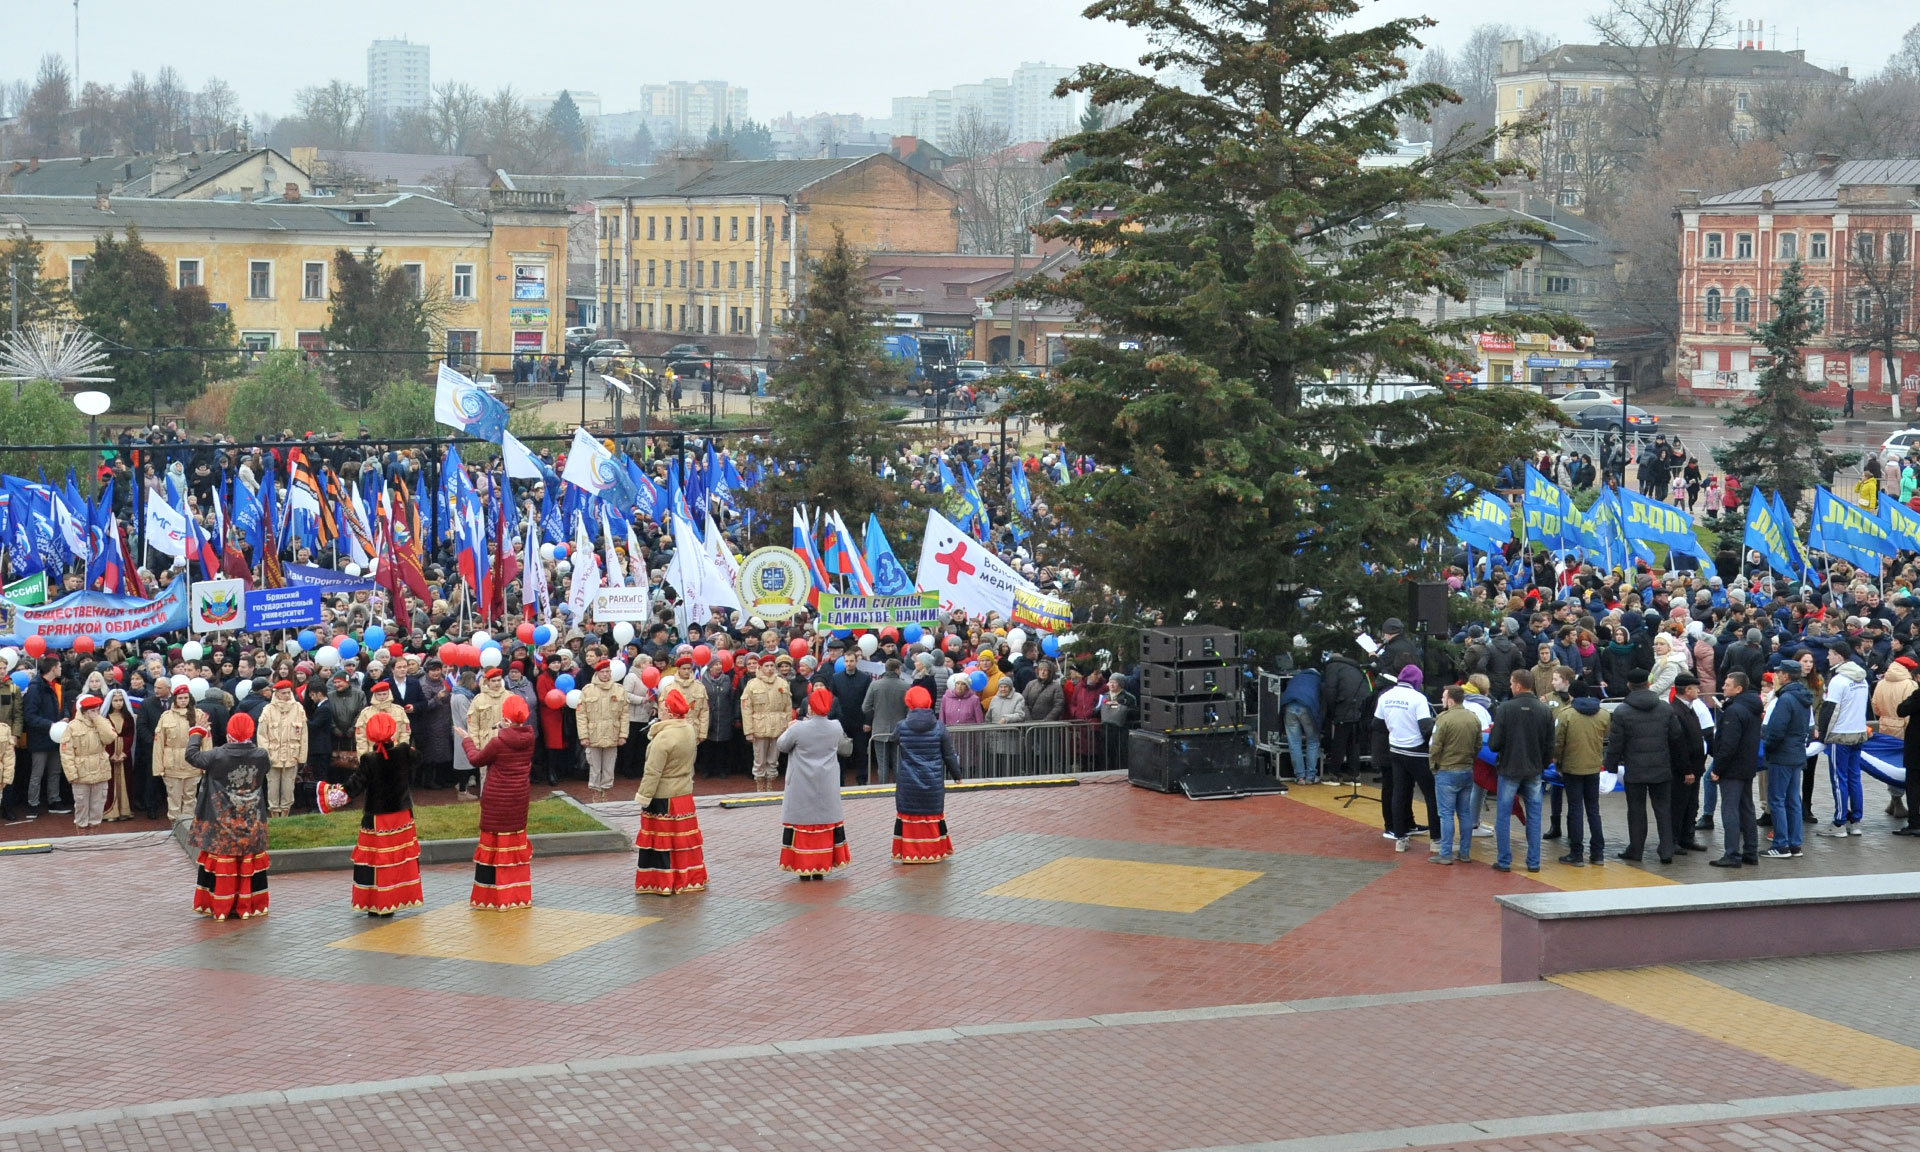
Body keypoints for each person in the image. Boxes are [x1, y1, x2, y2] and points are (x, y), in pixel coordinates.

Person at [336, 710, 425, 916]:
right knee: (399, 858)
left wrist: (331, 794)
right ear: (392, 730)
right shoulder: (403, 751)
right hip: (402, 814)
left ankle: (378, 904)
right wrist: (404, 745)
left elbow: (354, 786)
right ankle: (397, 899)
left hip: (377, 817)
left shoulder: (369, 759)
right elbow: (419, 758)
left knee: (376, 860)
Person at [185, 713, 272, 921]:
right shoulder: (261, 755)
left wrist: (198, 732)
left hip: (221, 821)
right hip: (251, 819)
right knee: (248, 859)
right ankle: (248, 906)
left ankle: (221, 907)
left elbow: (191, 755)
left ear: (228, 732)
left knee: (223, 861)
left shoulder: (217, 755)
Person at [461, 694, 537, 908]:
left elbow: (476, 759)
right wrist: (505, 727)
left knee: (492, 846)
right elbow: (514, 735)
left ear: (505, 717)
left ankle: (490, 897)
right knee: (514, 844)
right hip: (519, 797)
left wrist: (467, 740)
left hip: (496, 799)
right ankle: (517, 895)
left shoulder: (497, 742)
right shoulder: (529, 739)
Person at [1604, 672, 1689, 864]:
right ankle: (1666, 850)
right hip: (1661, 768)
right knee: (1663, 809)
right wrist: (1683, 767)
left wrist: (1610, 768)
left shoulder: (1622, 711)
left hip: (1635, 770)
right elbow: (1677, 739)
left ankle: (1636, 850)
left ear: (1629, 685)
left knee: (1636, 811)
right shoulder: (1665, 708)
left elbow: (1616, 744)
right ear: (1649, 684)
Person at [632, 686, 706, 895]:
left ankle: (662, 882)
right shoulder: (688, 730)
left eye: (664, 709)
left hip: (663, 795)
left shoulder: (664, 737)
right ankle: (689, 879)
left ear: (670, 713)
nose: (660, 712)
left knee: (661, 841)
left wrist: (644, 796)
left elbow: (653, 771)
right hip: (683, 793)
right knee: (683, 841)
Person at [778, 687, 851, 879]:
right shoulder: (836, 726)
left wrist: (790, 727)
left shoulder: (798, 728)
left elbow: (782, 745)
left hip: (801, 783)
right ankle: (821, 867)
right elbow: (844, 748)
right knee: (824, 823)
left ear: (810, 706)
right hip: (827, 783)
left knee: (803, 824)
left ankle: (803, 868)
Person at [1489, 669, 1554, 873]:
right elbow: (1550, 745)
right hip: (1534, 769)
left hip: (1509, 768)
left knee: (1503, 815)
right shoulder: (1545, 710)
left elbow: (1494, 744)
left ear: (1518, 685)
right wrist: (1542, 765)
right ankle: (1533, 862)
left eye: (1511, 683)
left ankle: (1504, 860)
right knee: (1534, 815)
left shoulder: (1505, 709)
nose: (1510, 686)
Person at [892, 686, 960, 863]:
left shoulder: (902, 726)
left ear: (909, 702)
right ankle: (933, 852)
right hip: (932, 780)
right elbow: (948, 754)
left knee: (909, 816)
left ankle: (909, 852)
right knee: (932, 815)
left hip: (908, 781)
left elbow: (894, 739)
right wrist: (957, 775)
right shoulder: (939, 727)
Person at [1374, 664, 1435, 853]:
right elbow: (1426, 728)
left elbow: (1376, 724)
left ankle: (1400, 838)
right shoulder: (1418, 698)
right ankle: (1437, 840)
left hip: (1396, 750)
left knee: (1399, 794)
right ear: (1417, 681)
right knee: (1431, 795)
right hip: (1417, 752)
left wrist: (1395, 729)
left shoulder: (1385, 696)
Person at [1553, 683, 1611, 866]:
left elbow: (1558, 743)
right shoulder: (1603, 713)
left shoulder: (1566, 714)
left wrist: (1557, 762)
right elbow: (1607, 735)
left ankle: (1576, 853)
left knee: (1575, 809)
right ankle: (1598, 853)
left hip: (1572, 768)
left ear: (1571, 695)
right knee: (1594, 810)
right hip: (1594, 767)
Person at [1709, 671, 1763, 866]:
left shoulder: (1734, 711)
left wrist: (1717, 768)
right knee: (1747, 808)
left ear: (1739, 689)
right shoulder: (1752, 707)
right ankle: (1750, 852)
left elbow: (1728, 744)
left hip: (1732, 768)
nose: (1723, 687)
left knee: (1730, 809)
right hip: (1747, 765)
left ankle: (1732, 854)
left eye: (1727, 685)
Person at [1819, 640, 1870, 837]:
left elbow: (1829, 709)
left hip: (1840, 734)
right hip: (1858, 732)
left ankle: (1839, 822)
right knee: (1854, 777)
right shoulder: (1862, 679)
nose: (1827, 657)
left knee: (1838, 778)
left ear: (1839, 656)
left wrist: (1823, 733)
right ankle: (1856, 821)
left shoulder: (1838, 680)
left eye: (1830, 653)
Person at [1427, 685, 1480, 865]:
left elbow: (1435, 746)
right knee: (1464, 813)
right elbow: (1478, 745)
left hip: (1447, 770)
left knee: (1446, 814)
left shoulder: (1443, 719)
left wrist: (1434, 765)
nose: (1442, 700)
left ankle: (1445, 853)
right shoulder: (1473, 718)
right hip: (1466, 769)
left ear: (1450, 700)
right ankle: (1464, 853)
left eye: (1443, 697)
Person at [58, 695, 116, 831]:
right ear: (84, 711)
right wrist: (72, 774)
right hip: (81, 772)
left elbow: (109, 738)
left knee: (98, 806)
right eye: (93, 711)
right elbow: (66, 753)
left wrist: (98, 720)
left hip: (100, 769)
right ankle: (82, 834)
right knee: (81, 806)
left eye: (98, 710)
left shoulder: (103, 722)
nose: (96, 713)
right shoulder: (72, 726)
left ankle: (94, 834)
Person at [153, 683, 207, 821]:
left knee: (190, 797)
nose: (183, 701)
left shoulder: (199, 715)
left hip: (192, 763)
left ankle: (188, 825)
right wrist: (158, 767)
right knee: (174, 798)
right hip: (172, 764)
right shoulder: (166, 717)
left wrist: (206, 765)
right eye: (180, 698)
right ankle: (175, 824)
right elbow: (159, 743)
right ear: (175, 699)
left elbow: (206, 741)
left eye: (186, 698)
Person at [577, 659, 627, 801]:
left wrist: (623, 734)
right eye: (603, 672)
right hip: (593, 734)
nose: (606, 675)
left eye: (608, 672)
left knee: (609, 766)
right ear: (597, 673)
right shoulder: (588, 690)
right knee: (594, 766)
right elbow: (581, 715)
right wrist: (583, 736)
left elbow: (624, 714)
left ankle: (606, 791)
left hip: (612, 733)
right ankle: (595, 792)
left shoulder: (619, 690)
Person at [741, 656, 791, 791]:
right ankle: (760, 785)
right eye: (766, 666)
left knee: (773, 759)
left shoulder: (782, 683)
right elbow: (746, 709)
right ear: (761, 668)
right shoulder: (752, 684)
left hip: (778, 726)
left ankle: (770, 784)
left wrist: (788, 727)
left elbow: (788, 707)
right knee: (759, 759)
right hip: (759, 727)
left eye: (772, 666)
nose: (769, 669)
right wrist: (749, 731)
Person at [258, 680, 307, 818]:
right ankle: (274, 814)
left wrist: (302, 757)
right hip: (273, 756)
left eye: (288, 692)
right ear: (277, 694)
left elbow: (304, 735)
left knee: (288, 787)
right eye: (283, 693)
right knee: (272, 787)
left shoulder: (298, 708)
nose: (287, 695)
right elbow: (262, 736)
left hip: (292, 755)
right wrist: (266, 756)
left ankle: (285, 814)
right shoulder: (268, 710)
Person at [1280, 665, 1323, 783]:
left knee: (1294, 742)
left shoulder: (1296, 677)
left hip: (1289, 706)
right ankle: (1311, 777)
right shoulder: (1318, 680)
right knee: (1312, 741)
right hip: (1307, 707)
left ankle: (1300, 777)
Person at [100, 688, 137, 822]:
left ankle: (124, 810)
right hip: (109, 752)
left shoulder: (128, 717)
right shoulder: (104, 718)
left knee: (126, 780)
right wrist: (111, 753)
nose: (118, 703)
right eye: (115, 700)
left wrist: (124, 752)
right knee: (110, 783)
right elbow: (103, 736)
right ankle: (111, 811)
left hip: (124, 754)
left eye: (121, 700)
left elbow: (130, 735)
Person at [354, 680, 410, 757]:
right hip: (373, 754)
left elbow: (405, 733)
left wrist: (402, 753)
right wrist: (363, 758)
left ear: (389, 693)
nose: (382, 697)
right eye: (379, 694)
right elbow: (361, 738)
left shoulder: (399, 711)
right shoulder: (366, 713)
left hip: (395, 752)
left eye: (384, 694)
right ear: (374, 695)